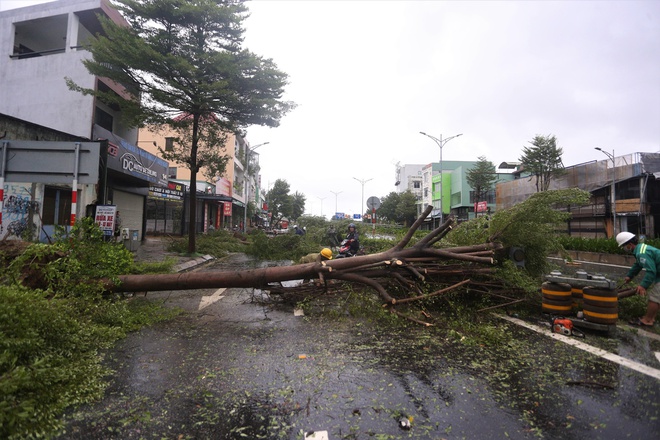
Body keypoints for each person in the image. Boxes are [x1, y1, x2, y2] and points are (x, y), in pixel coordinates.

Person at [617, 231, 659, 327]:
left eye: (624, 246)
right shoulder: (640, 249)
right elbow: (638, 264)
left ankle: (647, 320)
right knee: (657, 296)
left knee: (654, 298)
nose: (624, 248)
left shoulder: (641, 253)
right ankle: (651, 318)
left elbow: (651, 271)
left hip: (658, 273)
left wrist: (643, 286)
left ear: (630, 245)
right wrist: (630, 276)